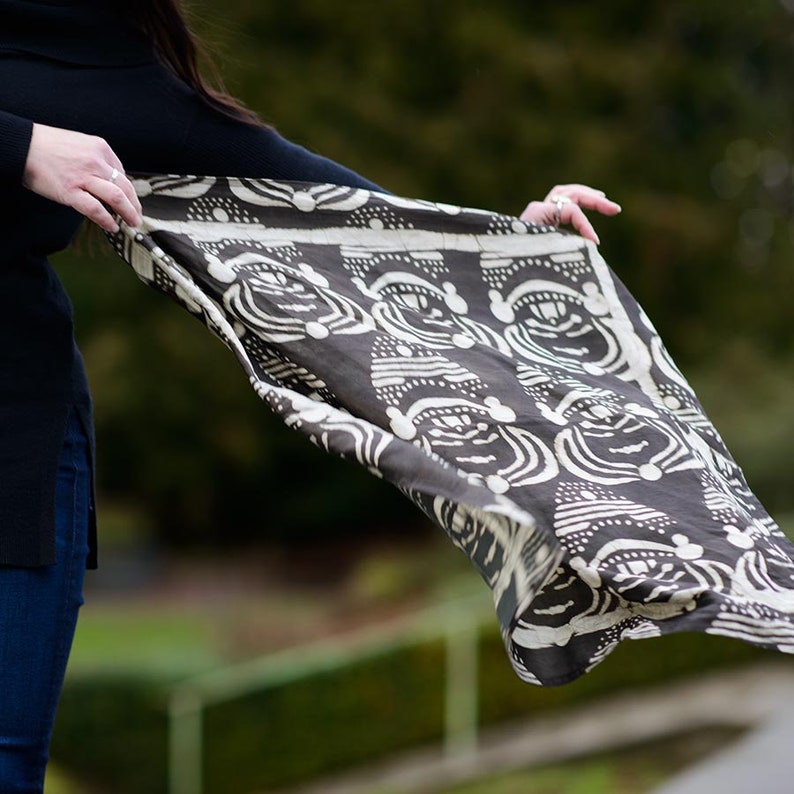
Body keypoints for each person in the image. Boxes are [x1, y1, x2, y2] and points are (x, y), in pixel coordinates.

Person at [0, 0, 621, 789]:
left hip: (17, 433)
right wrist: (22, 149)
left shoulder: (113, 61)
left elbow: (340, 215)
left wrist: (511, 247)